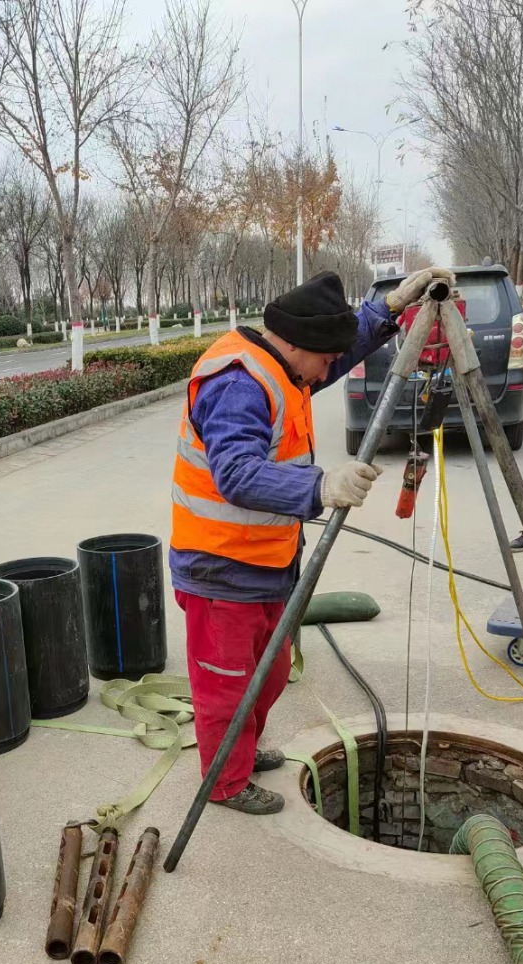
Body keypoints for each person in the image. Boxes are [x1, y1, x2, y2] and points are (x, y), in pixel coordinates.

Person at [170, 266, 455, 814]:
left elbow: (337, 353)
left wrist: (389, 309)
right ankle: (225, 782)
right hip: (219, 569)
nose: (330, 369)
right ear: (299, 345)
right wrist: (322, 485)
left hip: (269, 562)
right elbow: (236, 474)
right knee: (226, 687)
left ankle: (241, 750)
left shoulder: (286, 364)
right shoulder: (237, 383)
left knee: (271, 671)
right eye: (324, 359)